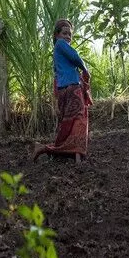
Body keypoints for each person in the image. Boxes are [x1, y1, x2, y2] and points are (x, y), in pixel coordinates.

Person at [33, 19, 92, 164]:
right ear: (57, 35)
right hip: (72, 87)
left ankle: (48, 149)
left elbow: (56, 75)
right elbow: (75, 57)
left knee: (67, 122)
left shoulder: (57, 53)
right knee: (79, 119)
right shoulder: (60, 45)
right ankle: (76, 155)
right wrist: (85, 70)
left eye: (70, 34)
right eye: (64, 33)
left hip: (64, 89)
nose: (68, 37)